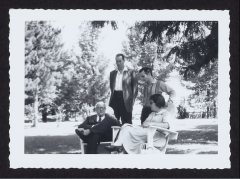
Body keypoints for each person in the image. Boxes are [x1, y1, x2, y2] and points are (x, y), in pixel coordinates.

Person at [105, 94, 171, 154]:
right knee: (125, 126)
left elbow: (166, 125)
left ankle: (119, 146)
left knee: (127, 129)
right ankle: (118, 146)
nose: (150, 105)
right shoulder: (152, 114)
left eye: (151, 103)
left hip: (156, 135)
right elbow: (145, 123)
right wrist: (147, 124)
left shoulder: (165, 113)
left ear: (157, 103)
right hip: (146, 132)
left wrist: (152, 124)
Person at [109, 54, 138, 124]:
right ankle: (114, 135)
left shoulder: (131, 72)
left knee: (127, 122)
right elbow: (111, 87)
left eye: (120, 61)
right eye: (117, 61)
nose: (118, 63)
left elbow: (135, 88)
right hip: (114, 98)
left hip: (126, 99)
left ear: (124, 61)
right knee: (112, 121)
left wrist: (132, 101)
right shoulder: (112, 73)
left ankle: (127, 134)